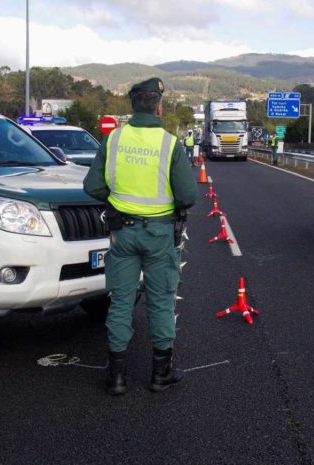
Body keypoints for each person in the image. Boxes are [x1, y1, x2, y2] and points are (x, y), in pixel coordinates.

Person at [83, 77, 197, 396]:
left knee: (120, 301)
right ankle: (160, 374)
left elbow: (91, 186)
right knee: (160, 301)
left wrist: (116, 200)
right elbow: (188, 196)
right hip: (160, 234)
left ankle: (116, 377)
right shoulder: (170, 143)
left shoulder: (113, 140)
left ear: (132, 105)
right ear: (158, 106)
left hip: (122, 232)